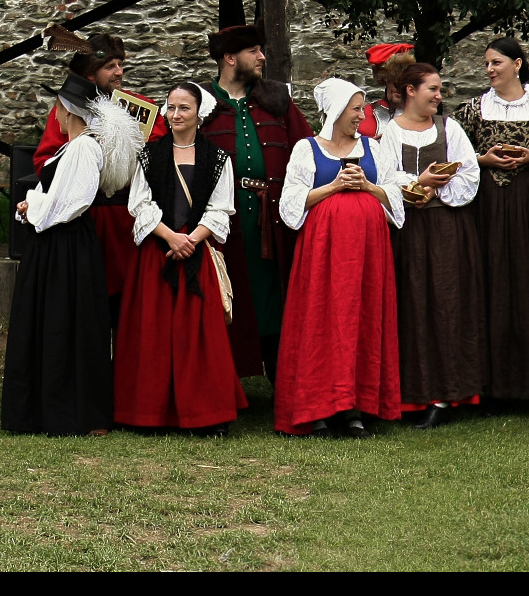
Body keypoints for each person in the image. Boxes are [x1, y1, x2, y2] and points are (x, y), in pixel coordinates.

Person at [9, 34, 143, 437]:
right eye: (109, 66)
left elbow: (75, 195)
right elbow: (50, 170)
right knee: (70, 320)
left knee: (96, 318)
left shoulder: (101, 133)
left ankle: (107, 400)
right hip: (75, 229)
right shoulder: (72, 138)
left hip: (94, 225)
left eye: (120, 64)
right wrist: (38, 204)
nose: (118, 71)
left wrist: (39, 210)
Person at [277, 77, 406, 437]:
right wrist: (333, 186)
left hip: (368, 254)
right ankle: (317, 409)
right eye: (356, 108)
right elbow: (290, 204)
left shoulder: (373, 148)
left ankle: (355, 408)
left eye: (362, 108)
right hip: (324, 254)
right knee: (321, 321)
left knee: (361, 321)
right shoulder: (307, 149)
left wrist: (367, 186)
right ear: (336, 110)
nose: (362, 115)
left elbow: (395, 197)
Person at [117, 83, 247, 433]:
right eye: (171, 107)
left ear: (199, 113)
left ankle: (205, 414)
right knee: (153, 334)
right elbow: (139, 203)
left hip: (196, 252)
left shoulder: (217, 158)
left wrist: (191, 239)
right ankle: (149, 414)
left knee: (198, 337)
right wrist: (170, 237)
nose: (175, 115)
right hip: (157, 253)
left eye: (184, 108)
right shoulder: (149, 155)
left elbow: (221, 208)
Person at [372, 59, 486, 428]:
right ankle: (412, 394)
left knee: (447, 304)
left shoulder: (449, 128)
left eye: (439, 89)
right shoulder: (389, 133)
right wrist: (417, 183)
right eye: (432, 89)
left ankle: (445, 394)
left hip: (447, 229)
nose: (439, 95)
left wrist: (435, 189)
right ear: (410, 91)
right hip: (407, 231)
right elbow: (384, 178)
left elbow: (469, 173)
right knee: (412, 306)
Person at [202, 25, 311, 387]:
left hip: (275, 219)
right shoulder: (203, 105)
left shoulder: (277, 100)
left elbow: (307, 150)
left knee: (278, 294)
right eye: (253, 51)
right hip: (227, 223)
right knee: (232, 296)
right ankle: (227, 385)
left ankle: (286, 381)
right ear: (230, 58)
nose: (262, 57)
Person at [466, 38, 529, 413]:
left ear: (517, 64)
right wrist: (483, 160)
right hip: (487, 210)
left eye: (496, 63)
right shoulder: (473, 110)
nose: (489, 69)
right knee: (490, 284)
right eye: (487, 64)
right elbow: (451, 153)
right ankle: (488, 387)